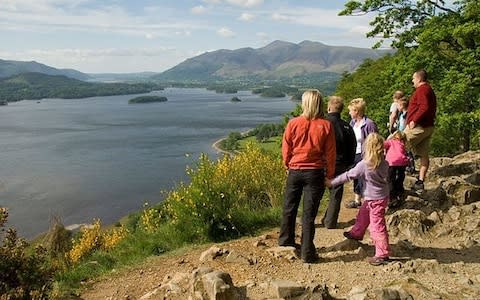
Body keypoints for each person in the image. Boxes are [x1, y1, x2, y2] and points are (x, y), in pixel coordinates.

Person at [279, 89, 336, 263]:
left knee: (289, 208)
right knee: (309, 214)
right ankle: (307, 253)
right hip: (315, 172)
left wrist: (287, 164)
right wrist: (330, 176)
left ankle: (285, 242)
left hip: (295, 170)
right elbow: (331, 153)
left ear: (305, 103)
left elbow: (286, 148)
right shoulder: (326, 125)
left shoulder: (293, 123)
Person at [325, 133, 391, 266]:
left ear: (367, 147)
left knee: (377, 227)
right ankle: (357, 232)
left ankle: (382, 254)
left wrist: (332, 182)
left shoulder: (365, 164)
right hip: (381, 197)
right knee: (363, 214)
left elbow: (348, 176)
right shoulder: (384, 162)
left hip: (374, 199)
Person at [322, 96, 357, 229]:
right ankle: (330, 222)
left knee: (316, 193)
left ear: (329, 107)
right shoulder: (347, 126)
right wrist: (348, 164)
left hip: (323, 164)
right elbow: (352, 147)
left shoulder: (322, 123)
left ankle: (309, 219)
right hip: (340, 164)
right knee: (335, 194)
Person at [404, 69, 437, 192]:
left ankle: (394, 179)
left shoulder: (422, 90)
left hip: (419, 127)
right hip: (428, 127)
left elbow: (424, 106)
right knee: (423, 154)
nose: (412, 80)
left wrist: (414, 120)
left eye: (413, 78)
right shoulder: (429, 89)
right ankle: (420, 182)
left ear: (419, 78)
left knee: (396, 145)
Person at [345, 98, 378, 209]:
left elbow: (375, 140)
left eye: (351, 111)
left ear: (357, 111)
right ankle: (357, 199)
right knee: (356, 177)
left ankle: (366, 200)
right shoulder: (352, 123)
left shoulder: (369, 124)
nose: (349, 113)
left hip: (364, 154)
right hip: (354, 153)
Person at [384, 131, 409, 208]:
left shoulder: (391, 142)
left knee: (390, 180)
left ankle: (392, 198)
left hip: (391, 162)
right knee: (400, 177)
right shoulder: (403, 144)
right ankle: (399, 190)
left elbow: (383, 144)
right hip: (402, 162)